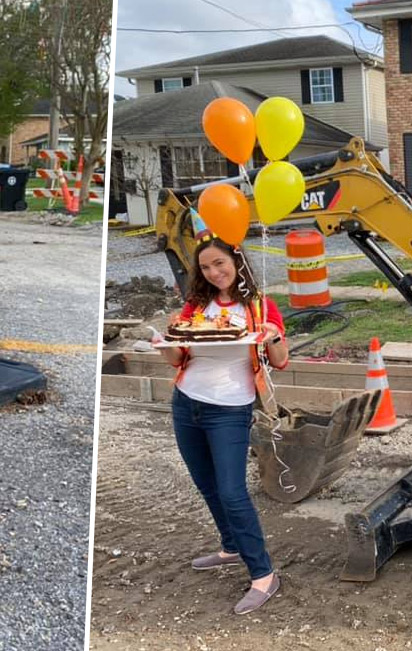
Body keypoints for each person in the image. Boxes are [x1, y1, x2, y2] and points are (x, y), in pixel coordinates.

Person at [156, 232, 290, 615]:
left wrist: (273, 334)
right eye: (205, 267)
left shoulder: (259, 307)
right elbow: (176, 357)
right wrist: (165, 340)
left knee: (232, 492)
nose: (214, 272)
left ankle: (263, 574)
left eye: (219, 263)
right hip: (186, 404)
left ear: (236, 261)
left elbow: (280, 359)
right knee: (206, 484)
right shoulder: (196, 306)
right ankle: (231, 547)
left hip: (229, 409)